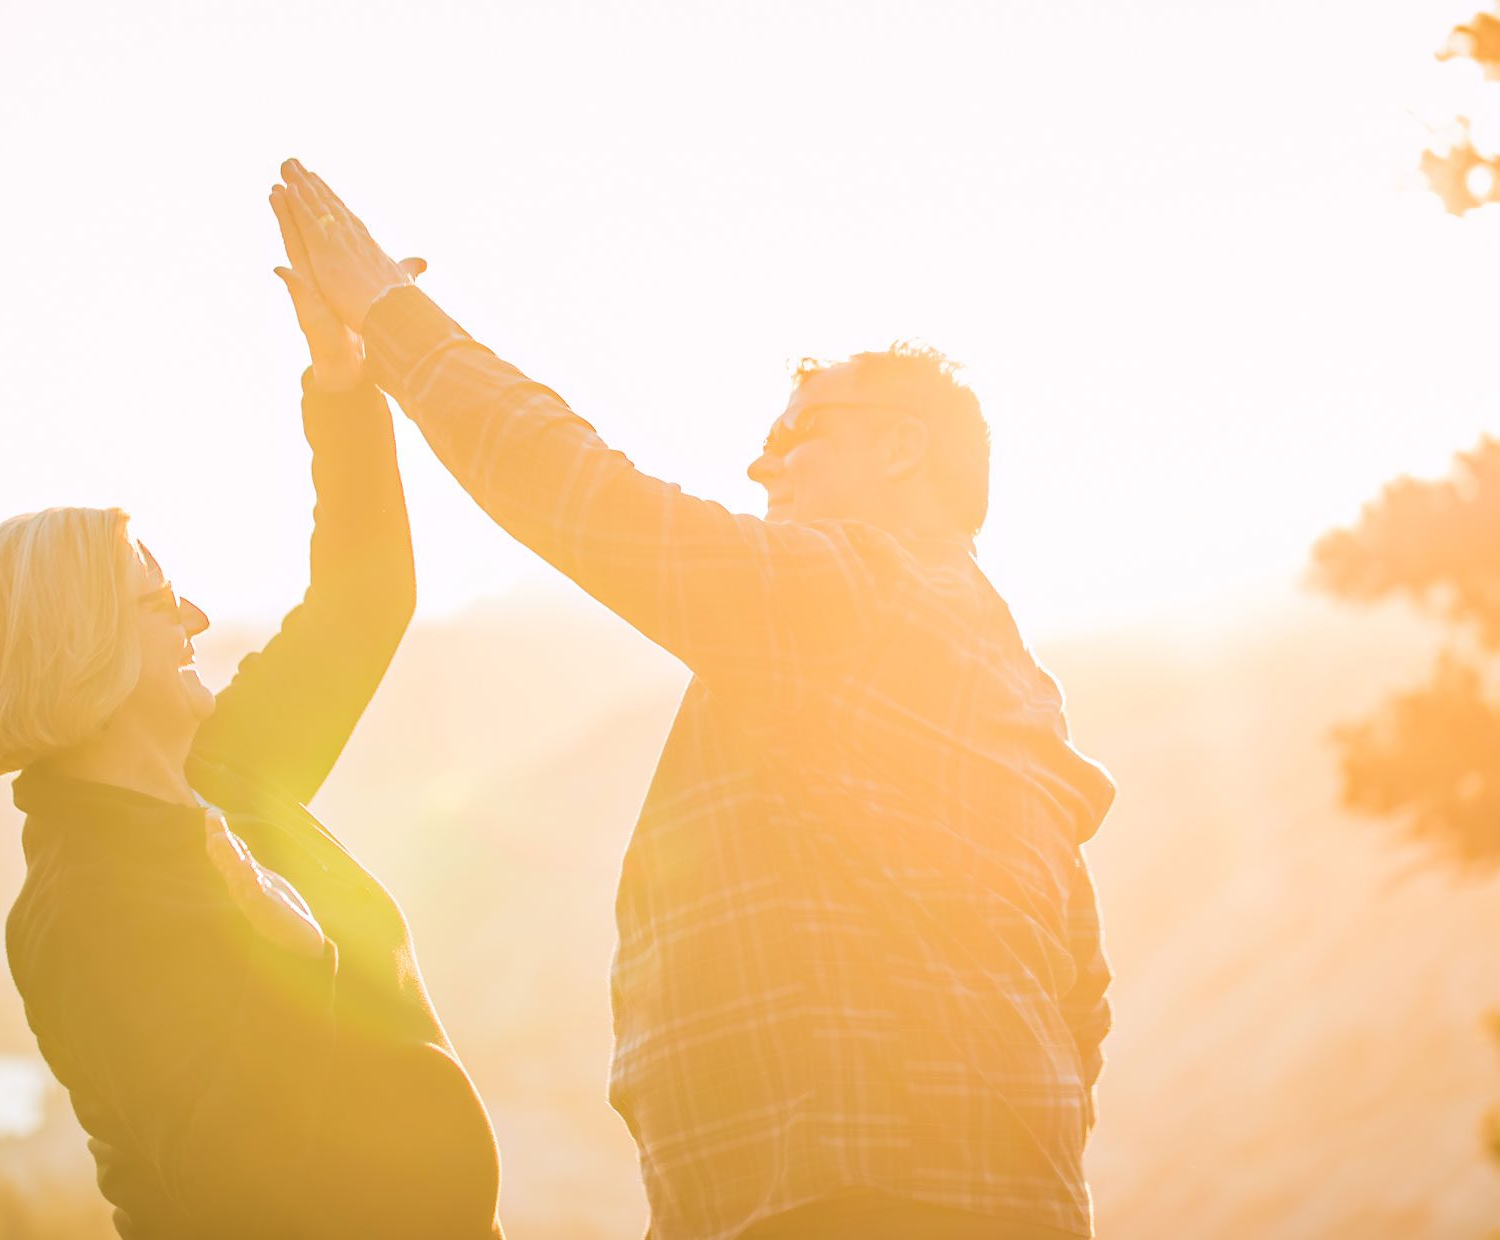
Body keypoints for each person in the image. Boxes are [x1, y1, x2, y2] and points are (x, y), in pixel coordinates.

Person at [274, 160, 1117, 1240]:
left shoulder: (861, 594)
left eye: (799, 432)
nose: (763, 466)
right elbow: (1075, 998)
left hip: (849, 1201)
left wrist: (389, 315)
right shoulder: (1009, 682)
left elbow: (580, 490)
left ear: (903, 448)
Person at [0, 194, 501, 1239]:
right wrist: (297, 950)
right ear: (78, 648)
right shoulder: (82, 911)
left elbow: (366, 598)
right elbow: (244, 1182)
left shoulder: (227, 773)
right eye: (157, 598)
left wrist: (345, 385)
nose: (191, 616)